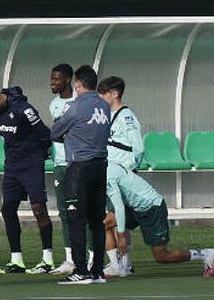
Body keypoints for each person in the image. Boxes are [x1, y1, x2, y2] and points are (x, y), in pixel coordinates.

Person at [96, 77, 214, 277]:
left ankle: (206, 254)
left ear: (114, 93)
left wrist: (128, 169)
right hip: (121, 181)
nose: (100, 97)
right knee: (109, 222)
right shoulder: (109, 115)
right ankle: (121, 266)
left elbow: (138, 148)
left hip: (140, 195)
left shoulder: (126, 117)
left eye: (103, 92)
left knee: (161, 256)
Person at [0, 84, 55, 274]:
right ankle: (17, 260)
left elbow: (45, 133)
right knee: (8, 209)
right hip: (12, 165)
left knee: (38, 208)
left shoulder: (24, 110)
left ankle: (47, 259)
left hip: (31, 164)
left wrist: (41, 154)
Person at [49, 64, 110, 285]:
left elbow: (55, 132)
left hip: (78, 167)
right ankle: (97, 271)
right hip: (100, 166)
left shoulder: (74, 107)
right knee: (97, 220)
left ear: (78, 83)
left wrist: (68, 135)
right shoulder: (104, 106)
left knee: (75, 219)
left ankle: (80, 270)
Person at [47, 63, 78, 275]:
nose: (53, 83)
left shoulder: (79, 101)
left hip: (77, 164)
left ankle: (90, 257)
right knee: (64, 213)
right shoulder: (54, 104)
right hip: (59, 164)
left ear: (67, 80)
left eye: (56, 79)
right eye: (52, 79)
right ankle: (69, 259)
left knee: (82, 212)